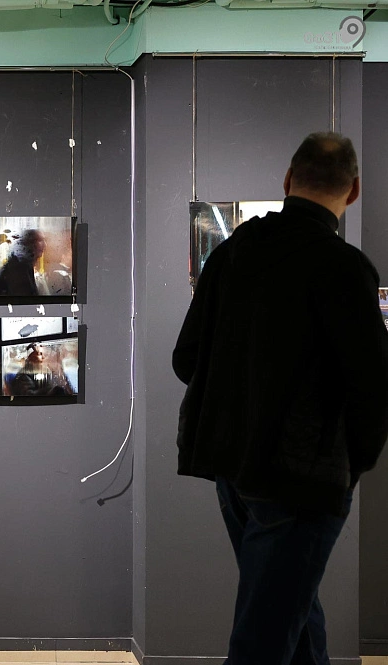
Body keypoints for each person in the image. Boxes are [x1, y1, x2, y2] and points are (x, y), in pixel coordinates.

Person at [172, 132, 388, 665]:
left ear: (288, 179)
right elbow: (373, 386)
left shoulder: (230, 254)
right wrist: (350, 468)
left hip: (232, 469)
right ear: (354, 190)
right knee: (265, 639)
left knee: (291, 613)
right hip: (301, 478)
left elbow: (185, 359)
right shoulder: (344, 267)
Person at [0, 229, 45, 296]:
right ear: (29, 243)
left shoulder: (25, 265)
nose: (45, 245)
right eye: (39, 240)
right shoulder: (18, 268)